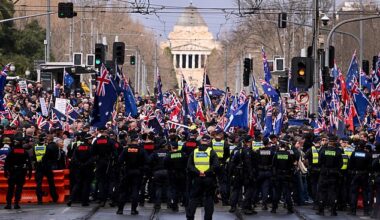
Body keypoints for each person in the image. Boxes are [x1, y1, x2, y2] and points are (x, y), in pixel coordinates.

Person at [186, 134, 219, 220]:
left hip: (197, 178)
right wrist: (206, 172)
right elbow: (216, 165)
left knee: (193, 198)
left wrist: (198, 172)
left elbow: (189, 165)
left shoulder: (195, 151)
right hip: (208, 179)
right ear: (208, 142)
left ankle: (190, 217)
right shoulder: (211, 152)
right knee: (208, 199)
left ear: (201, 141)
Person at [117, 133, 147, 215]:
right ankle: (133, 210)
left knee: (124, 191)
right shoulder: (141, 150)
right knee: (135, 191)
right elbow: (147, 161)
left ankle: (120, 209)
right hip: (137, 172)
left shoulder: (126, 149)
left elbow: (119, 161)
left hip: (127, 172)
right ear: (137, 140)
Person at [228, 134, 257, 215]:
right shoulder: (248, 151)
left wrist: (230, 174)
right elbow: (249, 164)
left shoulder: (236, 150)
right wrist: (252, 175)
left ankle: (233, 206)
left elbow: (231, 162)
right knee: (249, 190)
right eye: (250, 142)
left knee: (236, 190)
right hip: (246, 174)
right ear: (247, 142)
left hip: (237, 174)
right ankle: (247, 207)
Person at [316, 136, 343, 216]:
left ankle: (321, 210)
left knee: (322, 192)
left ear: (329, 142)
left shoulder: (323, 150)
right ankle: (333, 211)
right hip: (334, 175)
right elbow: (341, 164)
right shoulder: (338, 151)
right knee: (333, 193)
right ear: (335, 142)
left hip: (324, 174)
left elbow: (319, 162)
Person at [4, 136, 32, 209]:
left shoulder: (12, 151)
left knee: (11, 188)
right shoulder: (24, 152)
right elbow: (29, 163)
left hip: (12, 172)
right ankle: (16, 203)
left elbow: (6, 162)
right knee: (19, 188)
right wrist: (30, 173)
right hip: (21, 172)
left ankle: (9, 203)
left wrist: (6, 171)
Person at [67, 133, 94, 207]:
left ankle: (71, 199)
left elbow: (74, 158)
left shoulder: (78, 147)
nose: (91, 140)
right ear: (88, 140)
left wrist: (80, 164)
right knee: (86, 185)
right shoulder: (90, 147)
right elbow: (92, 158)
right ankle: (84, 201)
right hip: (87, 169)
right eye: (90, 139)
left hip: (79, 169)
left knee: (77, 184)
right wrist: (85, 164)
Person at [348, 140, 372, 216]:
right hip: (364, 175)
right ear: (364, 146)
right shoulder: (368, 154)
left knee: (354, 193)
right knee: (365, 193)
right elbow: (370, 166)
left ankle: (353, 211)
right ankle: (366, 211)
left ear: (358, 146)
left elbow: (350, 165)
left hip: (355, 175)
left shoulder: (354, 153)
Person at [92, 128, 115, 207]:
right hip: (108, 163)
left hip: (99, 163)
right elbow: (115, 152)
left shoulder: (96, 141)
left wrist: (96, 159)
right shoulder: (110, 141)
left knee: (101, 181)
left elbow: (92, 152)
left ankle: (101, 199)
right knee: (108, 181)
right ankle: (110, 197)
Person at [271, 141, 296, 214]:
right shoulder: (288, 155)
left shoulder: (276, 155)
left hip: (278, 176)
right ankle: (290, 209)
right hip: (286, 176)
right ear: (285, 147)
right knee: (287, 193)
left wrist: (274, 175)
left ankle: (274, 208)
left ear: (279, 147)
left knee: (277, 193)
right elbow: (291, 166)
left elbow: (273, 166)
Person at [34, 134, 59, 204]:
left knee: (39, 183)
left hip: (39, 166)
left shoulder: (35, 147)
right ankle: (54, 197)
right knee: (51, 182)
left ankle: (39, 200)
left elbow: (33, 157)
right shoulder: (47, 147)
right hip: (47, 166)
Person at [166, 141, 187, 211]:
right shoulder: (183, 154)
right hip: (182, 174)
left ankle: (174, 205)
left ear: (172, 147)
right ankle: (185, 203)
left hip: (173, 174)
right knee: (184, 189)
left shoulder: (169, 155)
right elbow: (186, 163)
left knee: (174, 190)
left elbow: (165, 164)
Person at [255, 137, 275, 210]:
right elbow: (273, 162)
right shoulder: (271, 152)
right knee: (265, 188)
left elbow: (256, 161)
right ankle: (264, 204)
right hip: (268, 172)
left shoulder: (258, 151)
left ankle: (253, 203)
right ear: (268, 143)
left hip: (259, 172)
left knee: (256, 188)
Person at [150, 139, 170, 211]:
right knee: (168, 188)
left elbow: (149, 161)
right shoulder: (168, 153)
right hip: (167, 172)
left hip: (157, 172)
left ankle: (157, 205)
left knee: (158, 188)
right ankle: (169, 204)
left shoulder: (155, 153)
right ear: (164, 145)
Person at [211, 129, 229, 205]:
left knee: (213, 182)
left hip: (213, 165)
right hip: (221, 165)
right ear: (221, 134)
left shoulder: (211, 142)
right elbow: (227, 154)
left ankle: (214, 198)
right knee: (223, 183)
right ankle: (224, 201)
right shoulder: (224, 143)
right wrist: (224, 162)